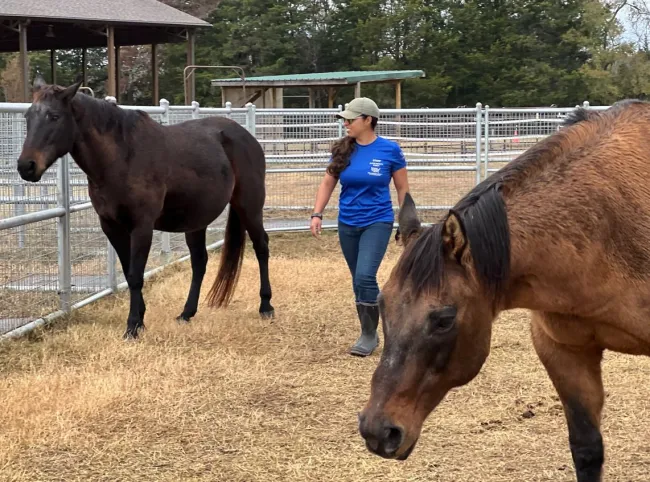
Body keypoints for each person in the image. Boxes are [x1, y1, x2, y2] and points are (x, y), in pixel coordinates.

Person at [310, 97, 410, 357]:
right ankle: (371, 329)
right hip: (347, 222)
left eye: (351, 119)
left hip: (378, 220)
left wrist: (405, 220)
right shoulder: (343, 150)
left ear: (368, 120)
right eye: (344, 119)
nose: (346, 123)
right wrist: (317, 213)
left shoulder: (390, 150)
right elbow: (327, 183)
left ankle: (370, 335)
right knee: (358, 280)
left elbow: (402, 188)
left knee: (365, 275)